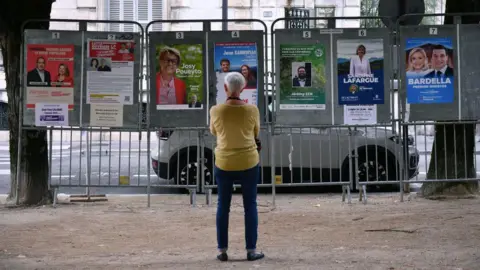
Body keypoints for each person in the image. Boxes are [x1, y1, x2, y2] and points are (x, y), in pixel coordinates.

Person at [209, 72, 264, 262]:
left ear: (225, 88)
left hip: (223, 162)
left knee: (223, 205)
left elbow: (214, 131)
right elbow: (256, 131)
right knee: (250, 205)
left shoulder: (216, 110)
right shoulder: (252, 110)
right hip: (249, 161)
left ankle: (222, 250)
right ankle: (251, 250)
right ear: (243, 87)